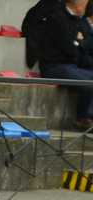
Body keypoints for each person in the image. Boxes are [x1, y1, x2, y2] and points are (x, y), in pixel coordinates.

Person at [37, 0, 93, 129]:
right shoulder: (57, 17)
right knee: (89, 84)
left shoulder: (77, 20)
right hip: (54, 66)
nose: (87, 4)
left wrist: (78, 43)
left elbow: (81, 47)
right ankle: (83, 119)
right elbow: (69, 48)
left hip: (72, 66)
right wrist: (78, 43)